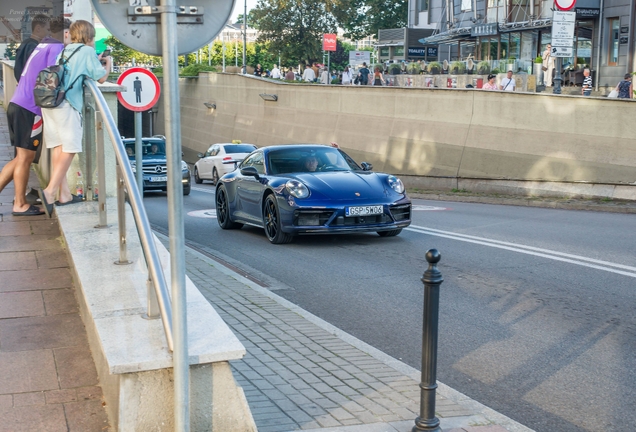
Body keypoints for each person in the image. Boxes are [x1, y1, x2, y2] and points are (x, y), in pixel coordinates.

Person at [39, 20, 111, 216]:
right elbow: (101, 77)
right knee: (70, 148)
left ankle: (64, 195)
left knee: (58, 146)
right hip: (67, 104)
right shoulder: (86, 52)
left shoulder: (65, 50)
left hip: (51, 103)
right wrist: (107, 62)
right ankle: (50, 191)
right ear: (89, 36)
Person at [0, 16, 69, 216]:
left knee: (21, 157)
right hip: (30, 109)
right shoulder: (55, 48)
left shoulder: (42, 45)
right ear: (64, 33)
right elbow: (53, 76)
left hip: (17, 103)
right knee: (25, 158)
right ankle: (19, 204)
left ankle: (19, 202)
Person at [13, 14, 50, 82]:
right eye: (48, 29)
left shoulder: (24, 43)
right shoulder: (34, 47)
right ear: (38, 28)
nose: (49, 33)